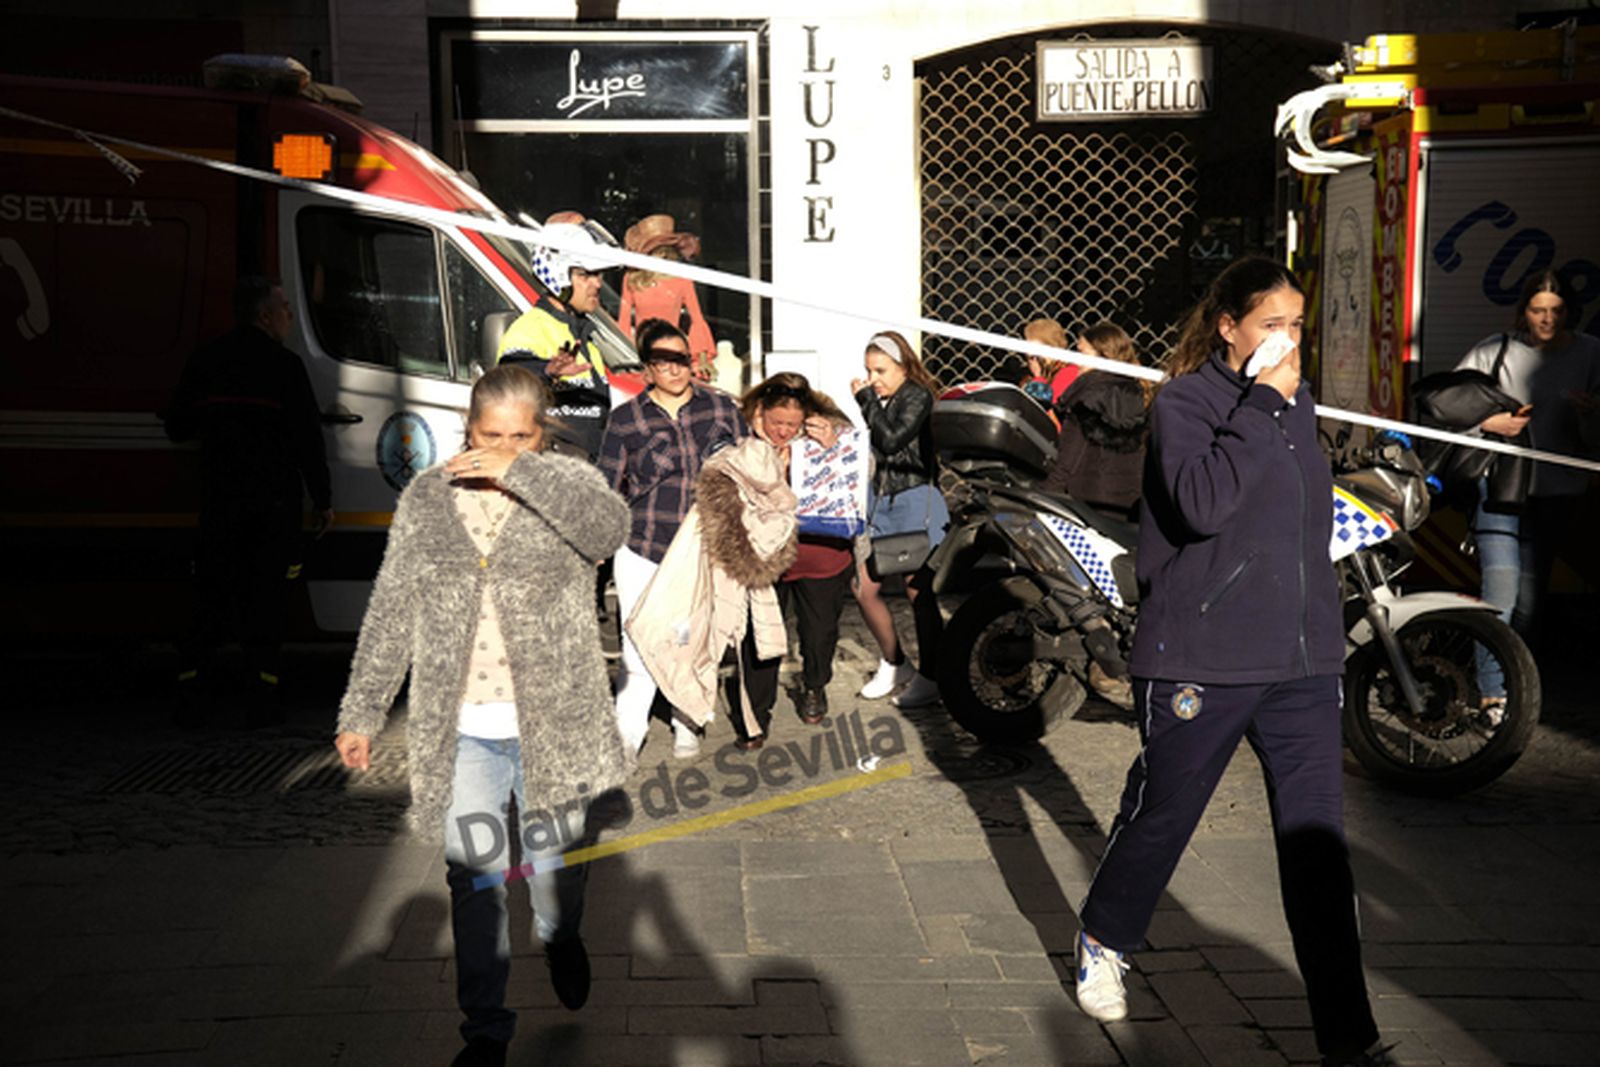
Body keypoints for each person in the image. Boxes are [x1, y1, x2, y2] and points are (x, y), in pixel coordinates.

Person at [1073, 258, 1392, 1067]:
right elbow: (1203, 503)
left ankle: (1349, 1040)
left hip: (1302, 665)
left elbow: (1298, 523)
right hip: (1202, 658)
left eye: (1296, 324)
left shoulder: (1297, 403)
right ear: (1229, 328)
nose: (1287, 342)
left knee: (1318, 848)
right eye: (1270, 326)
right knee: (1164, 815)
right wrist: (1257, 402)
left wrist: (1324, 630)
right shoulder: (1187, 403)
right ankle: (1106, 933)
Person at [333, 365, 631, 1067]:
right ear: (467, 430)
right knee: (474, 874)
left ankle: (560, 935)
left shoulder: (569, 485)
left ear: (543, 432)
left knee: (555, 867)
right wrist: (364, 709)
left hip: (551, 723)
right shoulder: (429, 497)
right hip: (462, 724)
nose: (502, 448)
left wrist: (522, 474)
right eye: (490, 436)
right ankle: (486, 1030)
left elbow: (609, 528)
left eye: (520, 437)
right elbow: (392, 604)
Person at [164, 275, 333, 728]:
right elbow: (307, 440)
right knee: (266, 603)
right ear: (264, 315)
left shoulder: (207, 360)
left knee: (210, 600)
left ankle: (189, 693)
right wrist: (323, 498)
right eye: (284, 308)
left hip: (220, 502)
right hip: (273, 507)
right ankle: (263, 697)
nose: (290, 316)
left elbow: (177, 426)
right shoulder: (285, 366)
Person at [599, 317, 748, 757]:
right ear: (647, 369)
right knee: (638, 635)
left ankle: (686, 718)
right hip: (642, 542)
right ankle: (629, 730)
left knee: (687, 637)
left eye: (681, 359)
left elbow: (750, 463)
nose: (676, 370)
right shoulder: (626, 419)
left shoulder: (721, 409)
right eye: (664, 363)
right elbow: (607, 484)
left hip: (700, 545)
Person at [1456, 269, 1600, 667]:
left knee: (1529, 604)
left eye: (1556, 311)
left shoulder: (1590, 354)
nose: (1547, 320)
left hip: (1556, 492)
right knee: (1501, 594)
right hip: (1500, 487)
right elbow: (1447, 405)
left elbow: (1594, 439)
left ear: (1569, 311)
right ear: (1524, 312)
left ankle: (1514, 682)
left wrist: (1589, 414)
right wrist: (1489, 423)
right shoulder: (1494, 350)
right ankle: (1492, 696)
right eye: (1538, 311)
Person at [743, 373, 856, 724]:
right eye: (777, 422)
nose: (784, 431)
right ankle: (755, 714)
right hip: (766, 556)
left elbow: (861, 469)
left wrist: (835, 447)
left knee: (819, 633)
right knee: (760, 634)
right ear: (760, 411)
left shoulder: (830, 432)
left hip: (821, 555)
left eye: (792, 424)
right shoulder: (741, 435)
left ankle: (814, 685)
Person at [851, 330, 949, 709]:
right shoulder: (885, 400)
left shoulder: (917, 396)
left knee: (918, 592)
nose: (873, 379)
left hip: (914, 499)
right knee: (863, 586)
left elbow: (892, 440)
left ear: (904, 366)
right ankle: (895, 661)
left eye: (881, 370)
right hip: (882, 501)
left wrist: (864, 400)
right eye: (868, 371)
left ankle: (932, 675)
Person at [497, 213, 621, 460]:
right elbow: (509, 381)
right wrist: (548, 372)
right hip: (551, 472)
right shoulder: (531, 328)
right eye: (585, 275)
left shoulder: (584, 335)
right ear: (559, 276)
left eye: (599, 275)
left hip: (586, 473)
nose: (597, 284)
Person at [1041, 322, 1151, 522]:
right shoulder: (1138, 393)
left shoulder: (1086, 398)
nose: (1076, 361)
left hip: (1089, 506)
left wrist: (1041, 500)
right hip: (1130, 503)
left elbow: (1068, 464)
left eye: (1082, 353)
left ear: (1104, 356)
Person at [619, 213, 718, 380]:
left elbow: (697, 320)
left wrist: (701, 359)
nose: (663, 254)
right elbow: (623, 322)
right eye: (659, 250)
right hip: (641, 354)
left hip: (672, 352)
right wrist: (625, 357)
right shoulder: (632, 278)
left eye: (666, 250)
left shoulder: (682, 278)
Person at [1021, 317, 1080, 407]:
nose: (1032, 359)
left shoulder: (1068, 373)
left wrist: (1039, 376)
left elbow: (1045, 408)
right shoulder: (1047, 373)